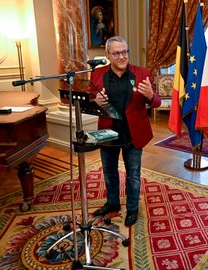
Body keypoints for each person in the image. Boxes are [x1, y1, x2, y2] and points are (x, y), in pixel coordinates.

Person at [89, 36, 161, 226]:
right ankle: (112, 203)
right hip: (108, 132)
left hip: (133, 132)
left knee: (133, 174)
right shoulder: (97, 75)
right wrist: (95, 101)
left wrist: (150, 95)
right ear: (108, 55)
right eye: (117, 53)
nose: (122, 56)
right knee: (109, 172)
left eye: (125, 52)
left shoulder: (142, 73)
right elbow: (90, 98)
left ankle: (132, 208)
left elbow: (157, 101)